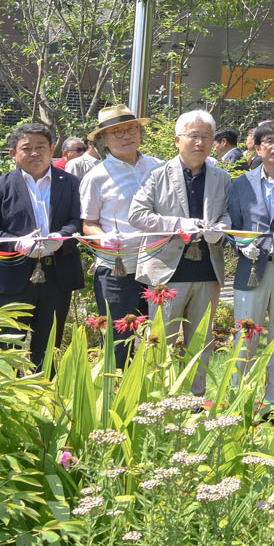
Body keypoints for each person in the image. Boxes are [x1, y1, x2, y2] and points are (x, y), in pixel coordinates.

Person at [128, 110, 233, 393]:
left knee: (200, 342)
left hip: (207, 270)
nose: (200, 142)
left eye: (207, 137)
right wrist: (176, 224)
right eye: (193, 136)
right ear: (177, 140)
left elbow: (226, 214)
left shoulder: (221, 178)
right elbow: (136, 215)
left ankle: (196, 400)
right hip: (166, 271)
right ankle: (155, 398)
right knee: (160, 341)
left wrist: (221, 228)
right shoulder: (156, 175)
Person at [0, 121, 84, 369]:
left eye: (41, 147)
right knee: (7, 347)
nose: (35, 153)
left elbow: (78, 219)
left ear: (52, 149)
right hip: (11, 276)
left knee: (49, 347)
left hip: (57, 274)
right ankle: (7, 390)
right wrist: (15, 243)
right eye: (26, 148)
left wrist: (61, 237)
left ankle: (46, 390)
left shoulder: (70, 183)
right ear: (13, 154)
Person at [77, 106, 162, 364]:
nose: (127, 136)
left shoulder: (159, 167)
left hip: (159, 264)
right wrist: (103, 238)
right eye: (117, 132)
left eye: (131, 129)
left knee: (158, 339)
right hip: (118, 267)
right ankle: (116, 386)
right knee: (118, 342)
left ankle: (152, 387)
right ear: (103, 140)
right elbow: (88, 223)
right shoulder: (96, 177)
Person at [226, 119, 274, 404]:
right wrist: (242, 245)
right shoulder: (241, 184)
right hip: (251, 268)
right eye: (268, 141)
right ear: (256, 148)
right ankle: (240, 397)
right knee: (245, 336)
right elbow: (231, 226)